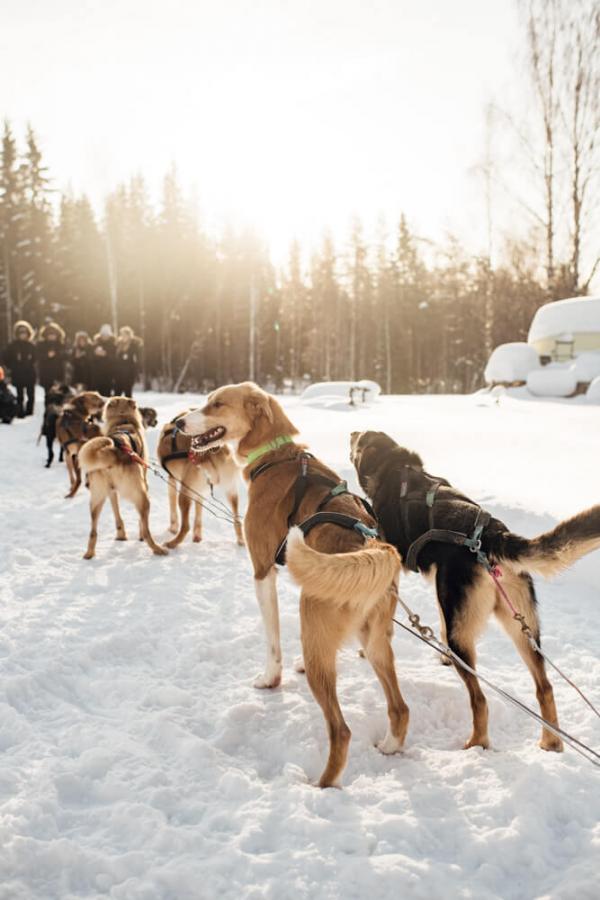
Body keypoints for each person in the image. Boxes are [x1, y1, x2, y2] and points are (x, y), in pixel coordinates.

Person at [2, 320, 37, 416]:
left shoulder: (32, 346)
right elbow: (5, 358)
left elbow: (36, 359)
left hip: (30, 373)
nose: (23, 334)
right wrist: (11, 367)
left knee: (31, 394)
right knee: (20, 395)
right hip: (17, 373)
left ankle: (29, 411)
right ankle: (20, 411)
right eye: (21, 332)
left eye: (25, 332)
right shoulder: (12, 346)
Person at [36, 322, 67, 397]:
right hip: (46, 375)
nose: (52, 336)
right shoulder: (41, 345)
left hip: (59, 374)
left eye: (54, 334)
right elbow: (37, 357)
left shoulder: (61, 344)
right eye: (49, 334)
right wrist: (47, 355)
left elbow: (65, 357)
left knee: (59, 396)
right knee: (48, 396)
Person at [114, 326, 143, 397]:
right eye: (122, 335)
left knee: (128, 393)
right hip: (119, 373)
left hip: (129, 373)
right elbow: (115, 359)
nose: (123, 337)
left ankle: (129, 408)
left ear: (129, 335)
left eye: (125, 335)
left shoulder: (134, 345)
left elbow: (137, 359)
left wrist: (136, 372)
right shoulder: (118, 344)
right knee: (117, 393)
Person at [91, 324, 116, 396]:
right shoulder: (96, 343)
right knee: (98, 394)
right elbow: (91, 358)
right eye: (103, 334)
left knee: (107, 393)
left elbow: (115, 358)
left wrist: (106, 355)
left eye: (106, 334)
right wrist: (96, 355)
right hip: (97, 374)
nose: (104, 336)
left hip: (108, 374)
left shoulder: (113, 344)